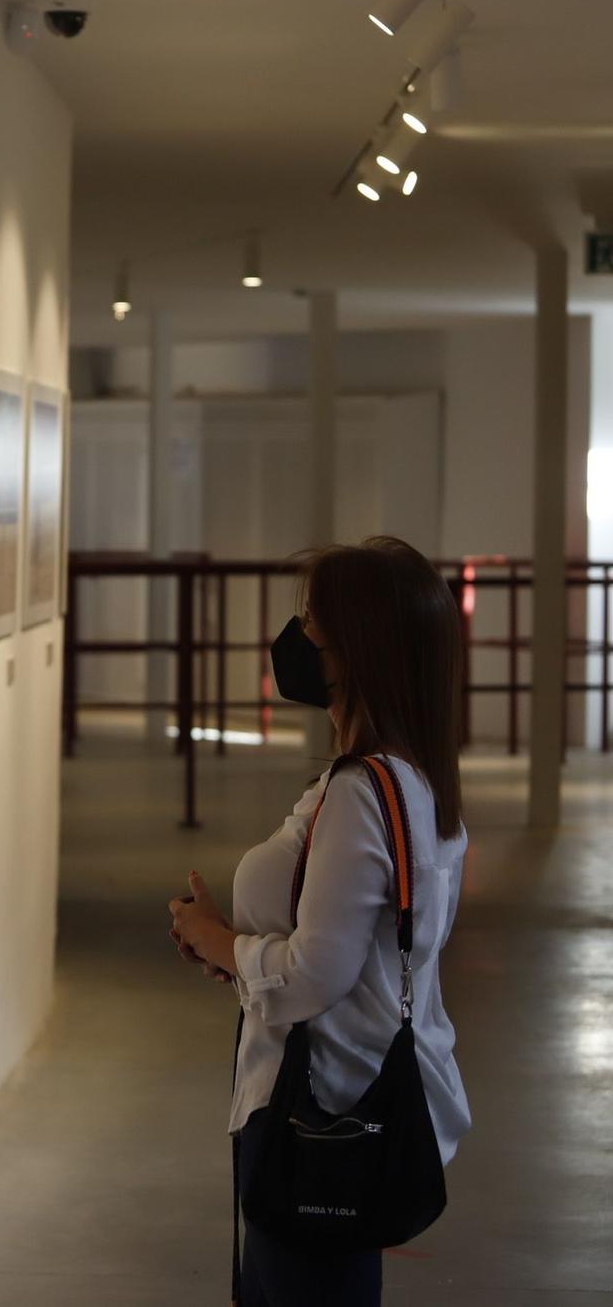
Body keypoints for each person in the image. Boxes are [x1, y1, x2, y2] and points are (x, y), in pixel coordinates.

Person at [168, 536, 470, 1306]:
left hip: (323, 1119)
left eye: (314, 623)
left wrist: (220, 940)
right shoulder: (397, 779)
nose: (297, 639)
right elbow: (335, 941)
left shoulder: (368, 793)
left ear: (357, 649)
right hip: (329, 1111)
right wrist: (236, 949)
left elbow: (312, 976)